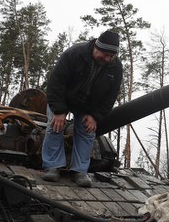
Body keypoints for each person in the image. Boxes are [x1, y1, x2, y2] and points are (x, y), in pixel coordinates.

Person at [40, 30, 123, 187]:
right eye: (105, 54)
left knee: (87, 132)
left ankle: (80, 171)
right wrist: (58, 111)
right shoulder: (75, 54)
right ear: (96, 47)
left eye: (111, 56)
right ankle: (52, 167)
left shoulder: (115, 67)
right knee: (55, 126)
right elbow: (56, 82)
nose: (108, 59)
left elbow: (110, 96)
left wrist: (95, 116)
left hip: (87, 105)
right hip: (63, 97)